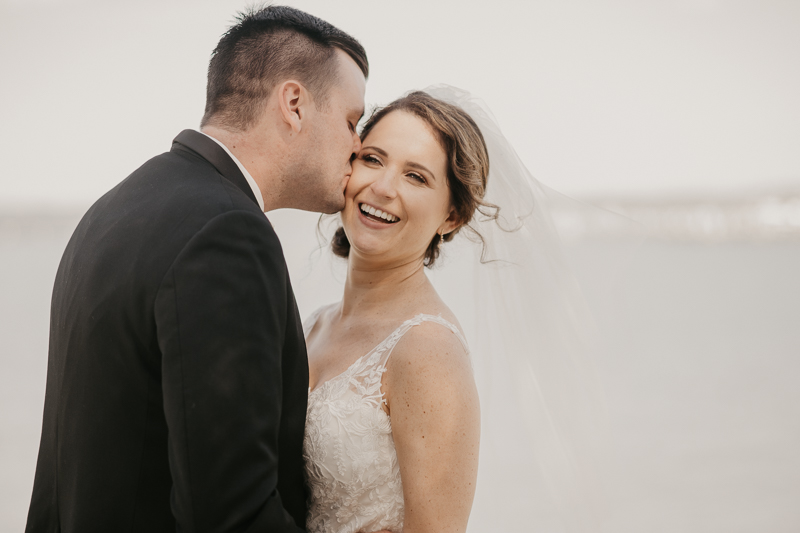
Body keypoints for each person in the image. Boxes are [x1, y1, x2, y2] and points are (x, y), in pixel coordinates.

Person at [25, 6, 370, 532]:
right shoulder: (227, 233)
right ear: (295, 104)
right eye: (351, 121)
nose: (358, 147)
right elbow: (230, 515)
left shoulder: (116, 208)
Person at [302, 87, 609, 533]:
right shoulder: (315, 324)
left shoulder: (428, 350)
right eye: (372, 159)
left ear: (452, 218)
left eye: (416, 177)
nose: (383, 187)